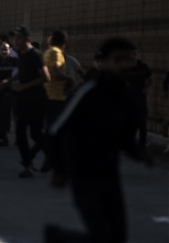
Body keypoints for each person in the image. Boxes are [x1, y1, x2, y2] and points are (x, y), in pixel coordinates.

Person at [44, 38, 154, 243]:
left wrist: (140, 153)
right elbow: (55, 130)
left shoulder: (127, 95)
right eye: (117, 60)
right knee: (103, 237)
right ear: (103, 62)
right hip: (84, 176)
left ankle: (58, 237)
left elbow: (125, 139)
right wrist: (59, 170)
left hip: (110, 175)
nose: (124, 65)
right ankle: (58, 237)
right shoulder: (88, 92)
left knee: (117, 237)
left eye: (128, 60)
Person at [10, 26, 50, 178]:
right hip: (22, 99)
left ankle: (50, 154)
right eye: (15, 38)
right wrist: (10, 80)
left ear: (28, 40)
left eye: (19, 38)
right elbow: (23, 71)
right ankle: (28, 165)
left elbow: (46, 77)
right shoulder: (21, 54)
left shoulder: (35, 55)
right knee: (20, 133)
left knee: (36, 133)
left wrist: (23, 86)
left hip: (36, 99)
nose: (16, 41)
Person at [43, 31, 76, 173]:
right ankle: (51, 159)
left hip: (48, 95)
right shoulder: (56, 53)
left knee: (53, 129)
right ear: (65, 42)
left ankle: (50, 159)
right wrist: (70, 79)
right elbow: (55, 73)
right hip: (55, 97)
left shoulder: (48, 52)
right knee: (56, 130)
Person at [123, 50, 152, 151]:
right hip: (129, 98)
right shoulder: (126, 68)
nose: (133, 56)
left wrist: (147, 88)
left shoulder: (142, 66)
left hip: (140, 97)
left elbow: (150, 78)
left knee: (142, 122)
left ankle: (142, 144)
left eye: (134, 54)